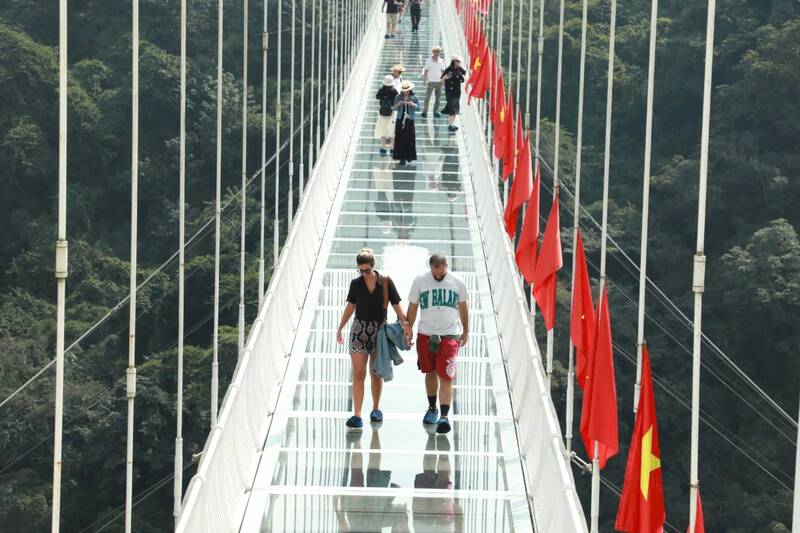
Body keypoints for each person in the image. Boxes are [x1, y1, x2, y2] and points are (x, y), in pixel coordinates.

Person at [336, 248, 411, 428]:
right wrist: (340, 328)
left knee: (376, 373)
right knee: (359, 373)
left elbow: (397, 308)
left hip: (379, 334)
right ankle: (357, 414)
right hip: (358, 332)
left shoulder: (385, 282)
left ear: (373, 266)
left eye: (367, 270)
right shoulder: (356, 284)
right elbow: (351, 306)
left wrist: (407, 328)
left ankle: (376, 409)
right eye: (360, 271)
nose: (364, 274)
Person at [406, 254, 469, 434]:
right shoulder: (420, 281)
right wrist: (408, 328)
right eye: (435, 274)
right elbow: (413, 306)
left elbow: (463, 307)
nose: (438, 277)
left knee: (447, 376)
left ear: (446, 267)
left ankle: (444, 416)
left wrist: (466, 331)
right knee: (430, 371)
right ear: (431, 268)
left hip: (449, 335)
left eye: (441, 274)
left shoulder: (458, 282)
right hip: (426, 334)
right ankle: (432, 407)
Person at [392, 81, 419, 165]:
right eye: (404, 90)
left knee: (410, 138)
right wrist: (399, 104)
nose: (405, 91)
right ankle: (402, 158)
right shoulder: (398, 97)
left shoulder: (414, 97)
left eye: (407, 90)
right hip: (400, 120)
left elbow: (418, 108)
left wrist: (412, 104)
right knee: (400, 138)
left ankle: (409, 156)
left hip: (409, 120)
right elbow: (394, 108)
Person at [441, 54, 466, 132]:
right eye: (457, 61)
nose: (458, 63)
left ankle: (452, 124)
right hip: (450, 91)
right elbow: (442, 78)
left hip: (457, 91)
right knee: (452, 108)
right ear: (453, 61)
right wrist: (445, 78)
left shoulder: (459, 69)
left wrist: (461, 77)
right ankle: (450, 125)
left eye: (459, 61)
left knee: (455, 108)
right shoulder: (449, 69)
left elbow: (464, 73)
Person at [375, 75, 398, 155]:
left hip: (382, 113)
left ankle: (383, 148)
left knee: (383, 131)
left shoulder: (381, 90)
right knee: (392, 132)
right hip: (391, 113)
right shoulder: (394, 91)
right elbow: (397, 100)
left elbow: (377, 97)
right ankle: (392, 148)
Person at [421, 46, 446, 118]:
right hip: (431, 81)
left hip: (439, 81)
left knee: (438, 98)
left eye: (438, 52)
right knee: (427, 97)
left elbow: (443, 71)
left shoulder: (441, 60)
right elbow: (426, 71)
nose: (437, 53)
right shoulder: (428, 60)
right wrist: (424, 80)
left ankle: (436, 111)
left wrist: (443, 81)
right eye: (435, 52)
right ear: (433, 52)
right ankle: (425, 111)